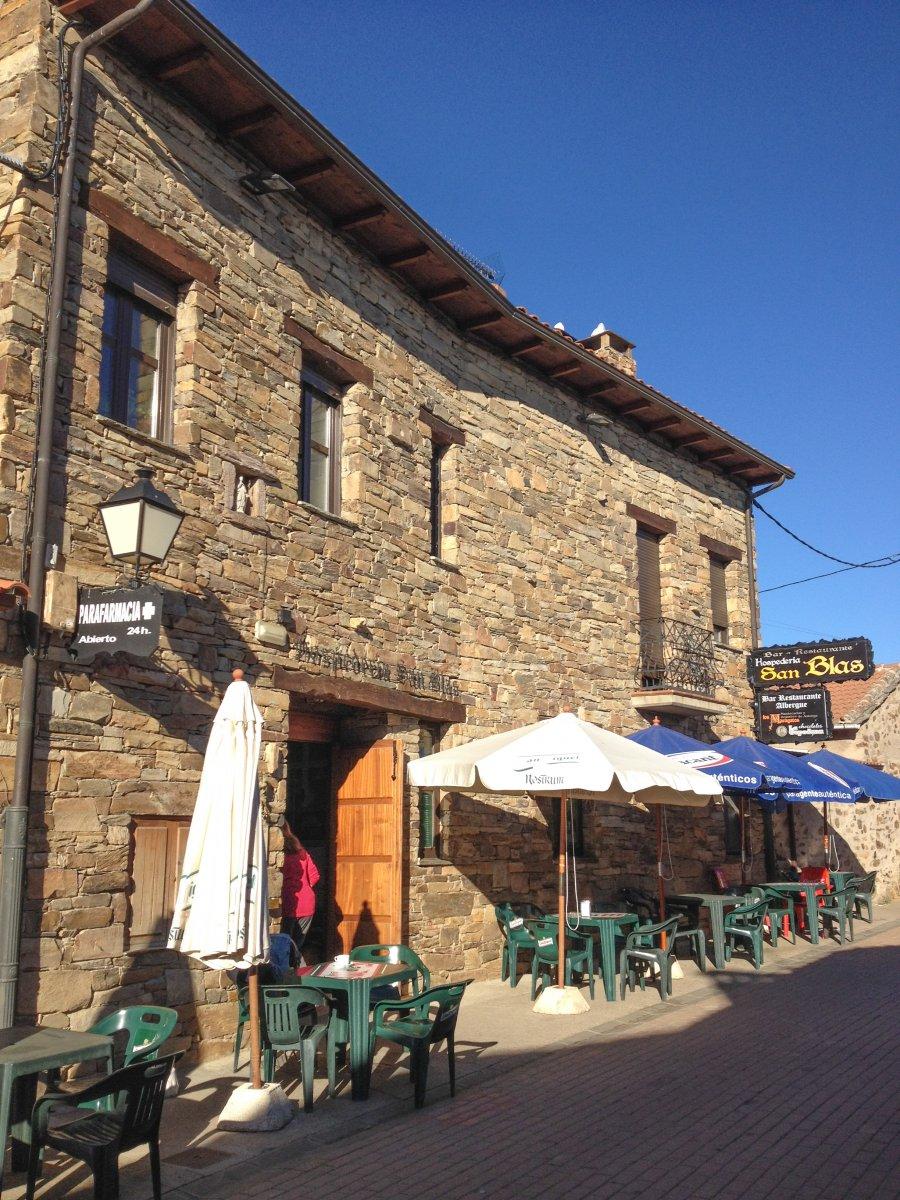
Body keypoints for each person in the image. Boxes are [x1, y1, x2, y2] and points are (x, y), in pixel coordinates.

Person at [281, 822, 320, 962]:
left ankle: (288, 975)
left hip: (289, 904)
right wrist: (305, 888)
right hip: (307, 904)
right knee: (296, 945)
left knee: (284, 945)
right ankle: (296, 971)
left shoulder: (282, 858)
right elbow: (315, 876)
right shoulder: (303, 854)